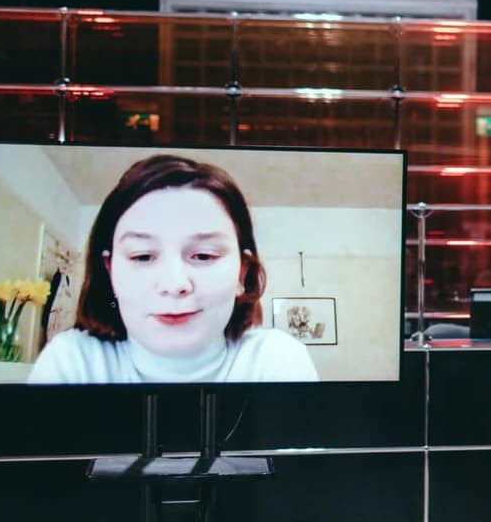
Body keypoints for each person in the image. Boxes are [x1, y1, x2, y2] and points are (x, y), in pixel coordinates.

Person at [29, 153, 318, 384]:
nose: (175, 283)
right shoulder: (73, 362)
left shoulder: (276, 361)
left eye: (204, 256)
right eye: (143, 257)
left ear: (242, 273)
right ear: (110, 271)